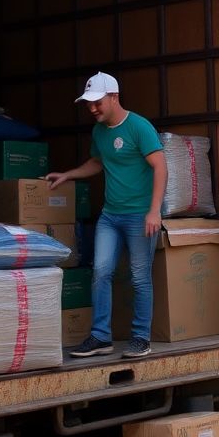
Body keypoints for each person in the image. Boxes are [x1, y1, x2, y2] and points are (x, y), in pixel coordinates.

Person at [46, 72, 167, 358]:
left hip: (140, 216)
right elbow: (97, 162)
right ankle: (101, 337)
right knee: (101, 271)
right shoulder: (99, 131)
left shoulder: (139, 127)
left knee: (139, 277)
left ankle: (141, 338)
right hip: (110, 216)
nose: (92, 109)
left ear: (114, 97)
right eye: (88, 104)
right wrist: (69, 175)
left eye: (97, 102)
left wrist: (154, 211)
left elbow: (160, 167)